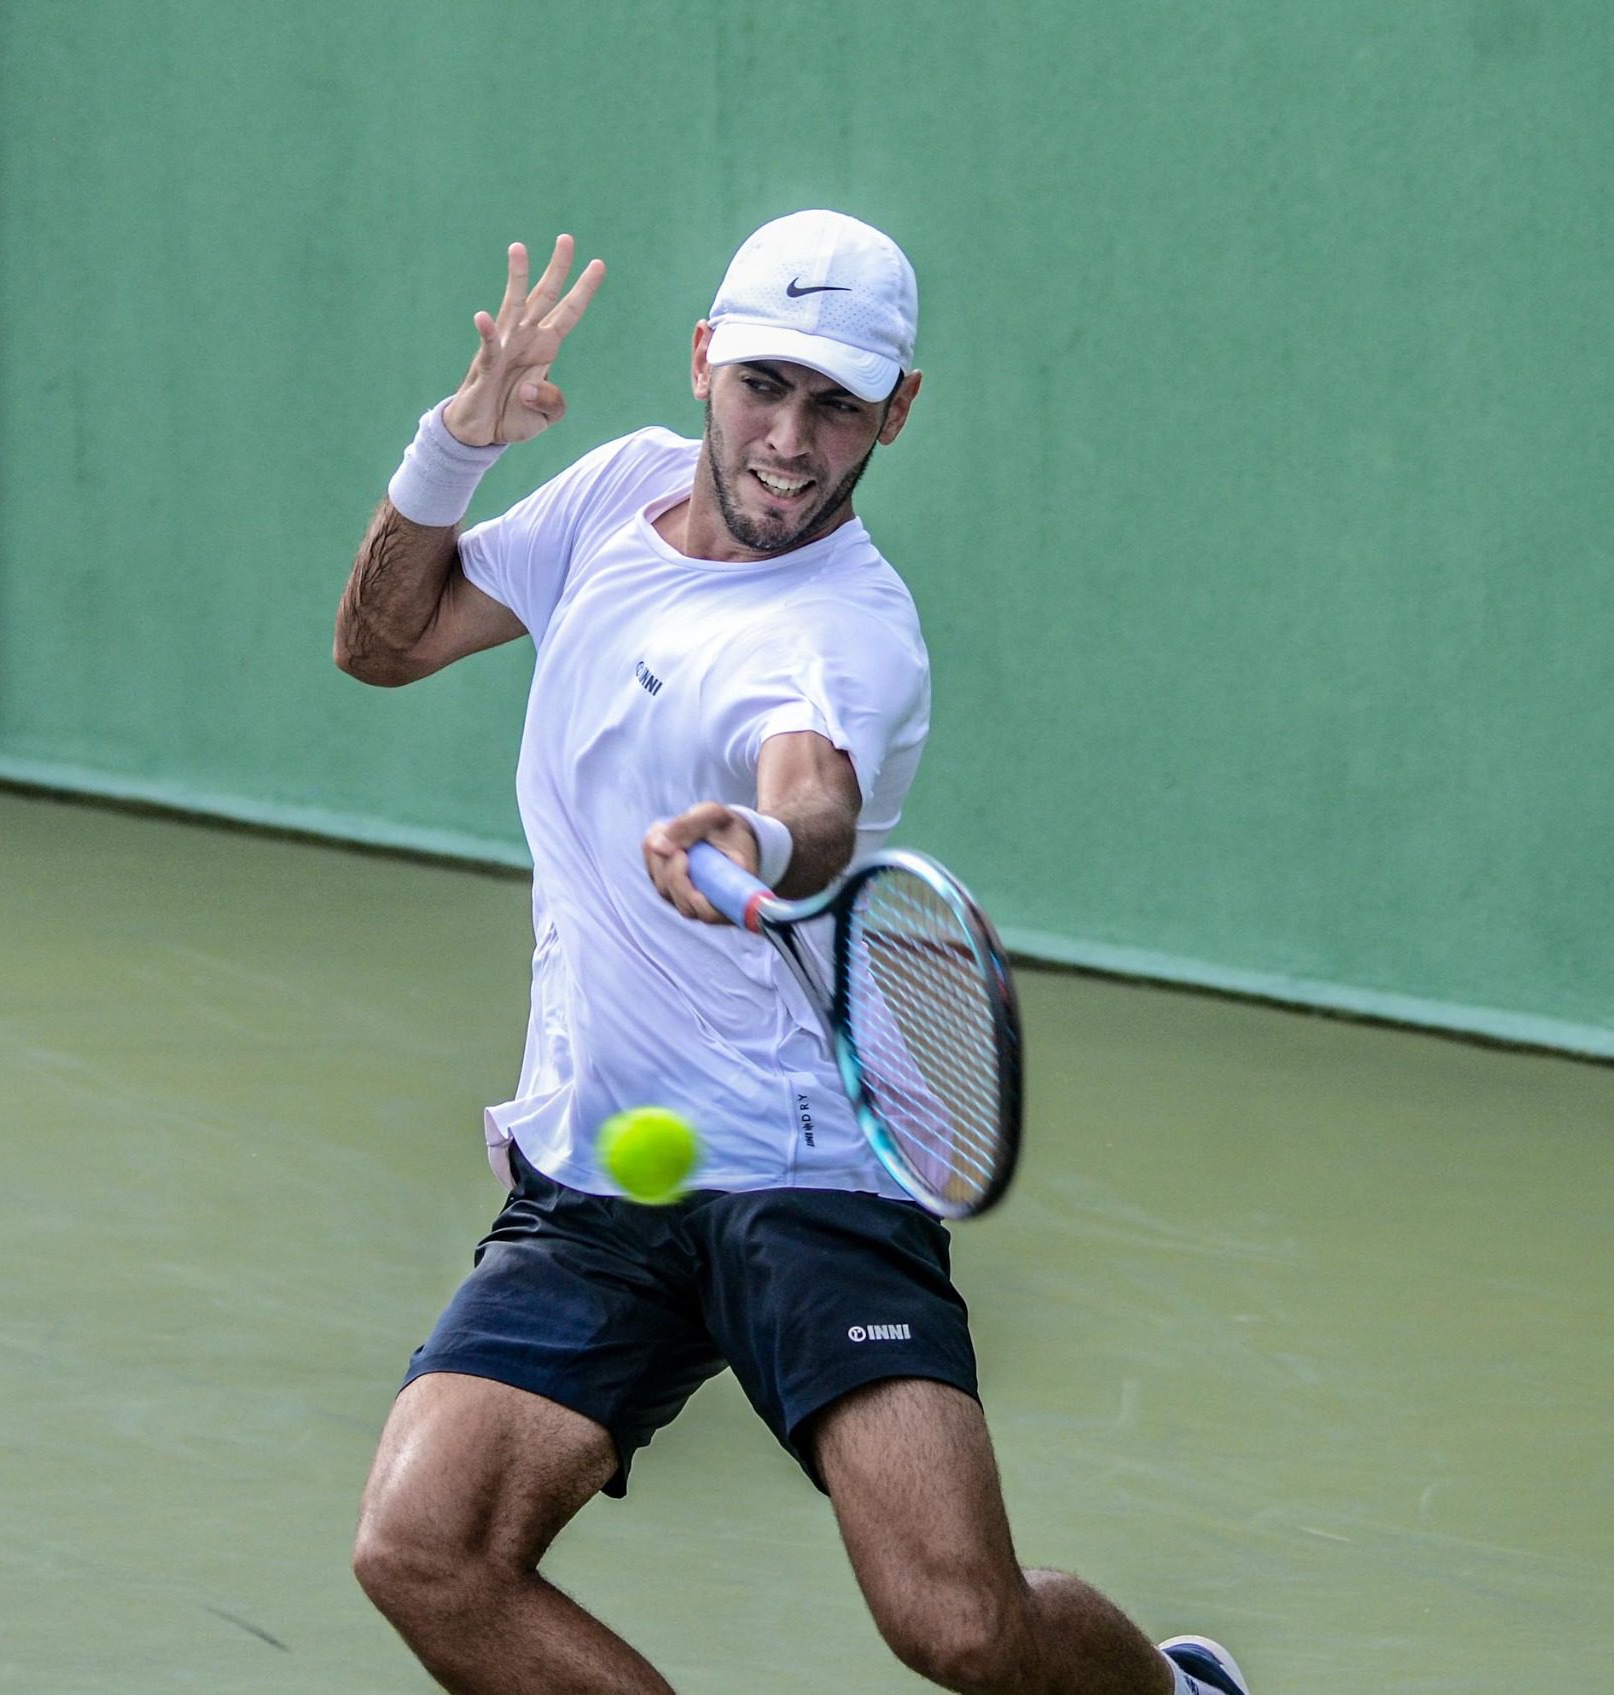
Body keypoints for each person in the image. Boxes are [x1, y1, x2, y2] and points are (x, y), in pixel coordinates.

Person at [334, 210, 1246, 1695]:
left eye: (837, 403)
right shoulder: (605, 500)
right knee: (422, 1549)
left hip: (810, 1169)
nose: (789, 440)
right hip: (604, 1166)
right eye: (763, 384)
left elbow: (811, 796)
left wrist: (757, 849)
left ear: (898, 410)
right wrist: (457, 443)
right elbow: (383, 640)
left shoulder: (847, 633)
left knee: (956, 1623)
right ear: (702, 361)